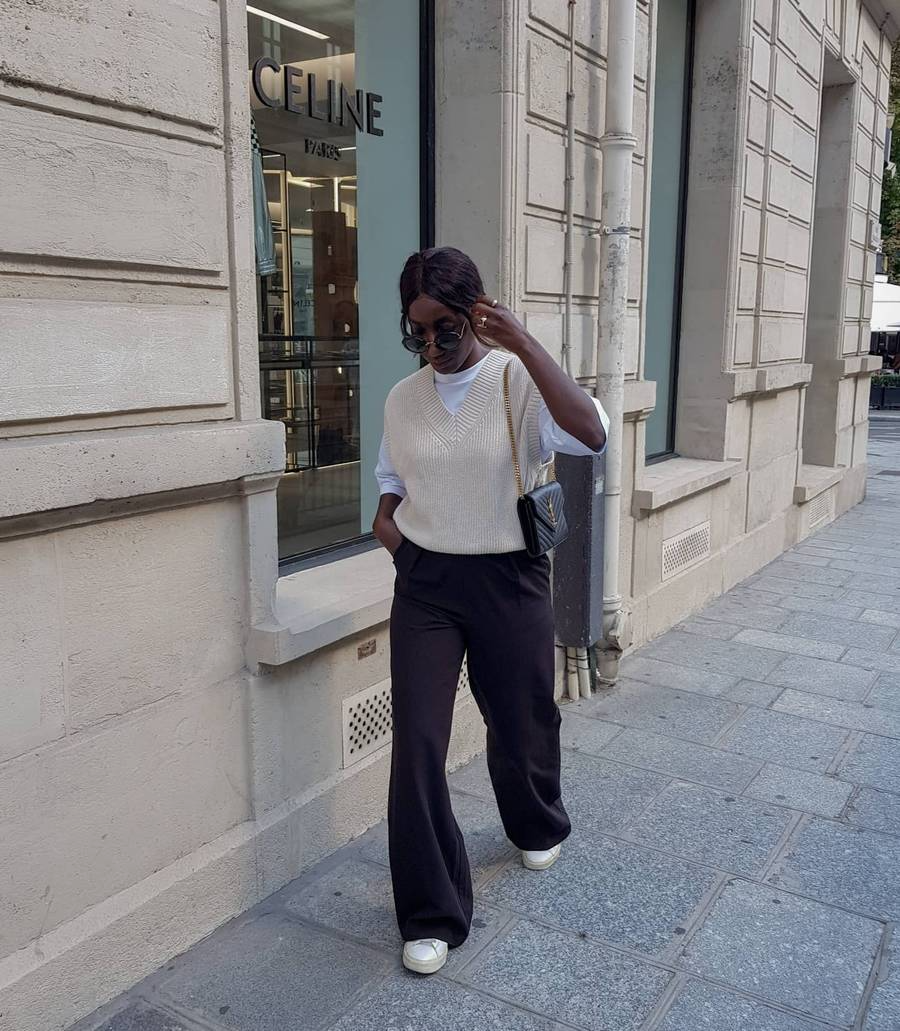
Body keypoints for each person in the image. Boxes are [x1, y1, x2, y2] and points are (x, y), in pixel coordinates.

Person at [373, 246, 609, 975]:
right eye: (418, 332)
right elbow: (391, 480)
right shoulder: (402, 398)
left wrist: (524, 342)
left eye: (446, 328)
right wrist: (391, 534)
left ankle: (535, 818)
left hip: (508, 574)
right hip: (426, 584)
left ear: (477, 312)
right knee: (416, 741)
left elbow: (592, 434)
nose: (433, 346)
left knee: (522, 714)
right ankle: (432, 911)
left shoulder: (515, 379)